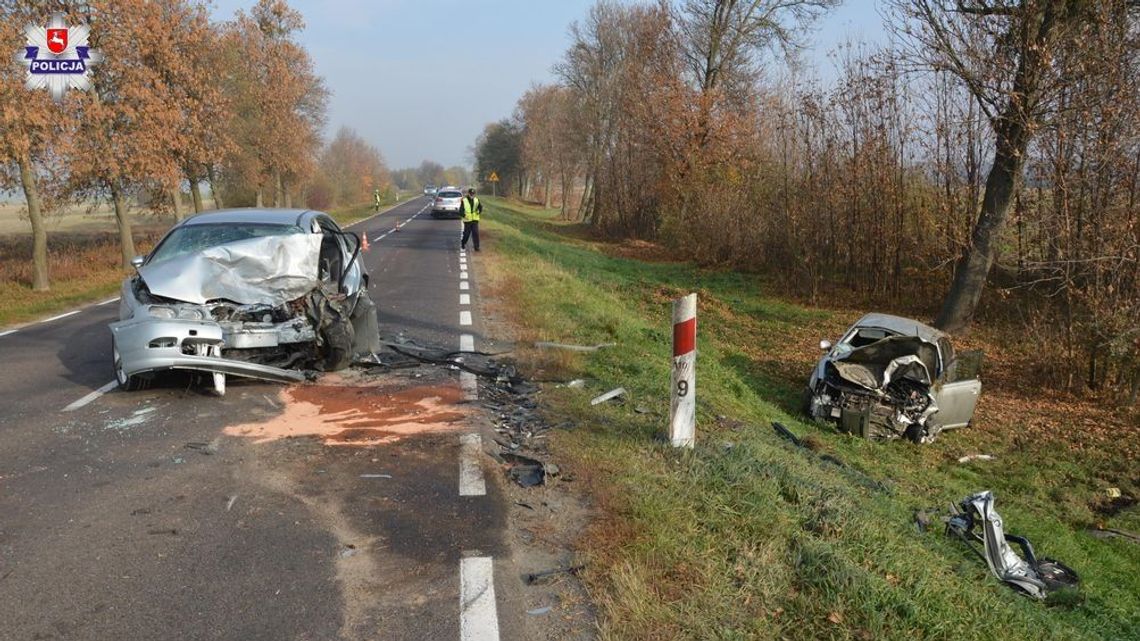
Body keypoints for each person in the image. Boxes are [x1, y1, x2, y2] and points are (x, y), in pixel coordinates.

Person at [460, 187, 483, 251]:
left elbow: (480, 207)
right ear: (468, 194)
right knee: (466, 235)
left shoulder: (477, 200)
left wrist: (479, 211)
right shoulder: (464, 200)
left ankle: (476, 247)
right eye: (471, 194)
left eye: (473, 194)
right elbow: (460, 211)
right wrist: (464, 215)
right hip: (467, 221)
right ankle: (463, 243)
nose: (472, 195)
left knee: (476, 233)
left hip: (475, 220)